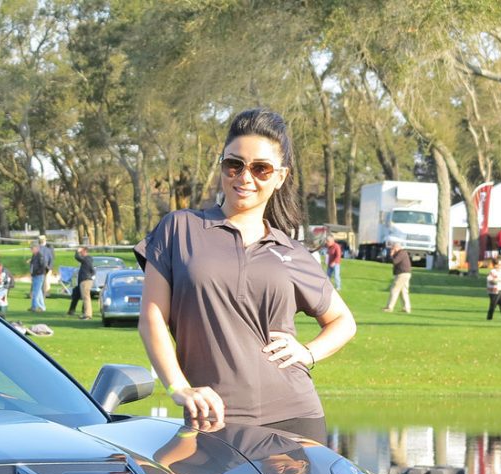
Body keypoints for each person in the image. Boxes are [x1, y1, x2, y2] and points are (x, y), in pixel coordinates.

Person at [136, 107, 355, 445]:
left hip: (295, 419)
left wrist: (308, 353)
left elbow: (343, 320)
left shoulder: (290, 252)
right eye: (234, 165)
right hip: (211, 420)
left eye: (261, 169)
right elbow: (151, 318)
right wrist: (178, 386)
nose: (245, 177)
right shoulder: (179, 229)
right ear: (222, 165)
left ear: (280, 177)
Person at [383, 239, 412, 313]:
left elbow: (394, 261)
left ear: (396, 247)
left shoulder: (401, 253)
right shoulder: (403, 253)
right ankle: (406, 307)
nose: (392, 249)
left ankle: (389, 307)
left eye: (393, 248)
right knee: (403, 291)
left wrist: (392, 254)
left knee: (394, 290)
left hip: (402, 274)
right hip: (406, 274)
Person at [67, 246, 94, 318]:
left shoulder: (86, 259)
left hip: (85, 280)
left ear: (85, 251)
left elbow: (77, 257)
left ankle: (87, 314)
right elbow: (93, 271)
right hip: (86, 280)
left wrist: (77, 251)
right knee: (85, 297)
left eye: (82, 252)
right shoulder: (88, 260)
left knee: (86, 298)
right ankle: (86, 313)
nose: (81, 253)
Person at [28, 242, 49, 311]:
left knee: (35, 292)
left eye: (32, 248)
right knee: (38, 292)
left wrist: (37, 272)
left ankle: (34, 307)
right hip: (35, 275)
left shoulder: (40, 256)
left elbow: (43, 266)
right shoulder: (34, 255)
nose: (31, 250)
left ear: (36, 248)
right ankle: (42, 307)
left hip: (39, 276)